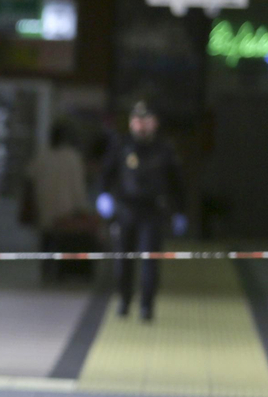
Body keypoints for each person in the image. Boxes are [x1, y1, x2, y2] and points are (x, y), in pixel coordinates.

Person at [97, 100, 187, 321]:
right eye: (136, 121)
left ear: (155, 123)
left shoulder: (165, 148)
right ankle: (124, 301)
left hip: (153, 212)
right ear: (130, 123)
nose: (141, 125)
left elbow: (177, 183)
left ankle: (147, 306)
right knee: (123, 261)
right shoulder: (121, 145)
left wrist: (181, 211)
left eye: (145, 121)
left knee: (149, 260)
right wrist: (102, 195)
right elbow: (106, 173)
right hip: (126, 210)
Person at [26, 121, 97, 281]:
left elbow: (29, 178)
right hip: (66, 210)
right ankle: (61, 272)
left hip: (45, 206)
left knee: (46, 241)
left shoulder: (42, 156)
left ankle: (46, 272)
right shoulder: (73, 157)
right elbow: (78, 186)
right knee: (64, 242)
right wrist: (82, 207)